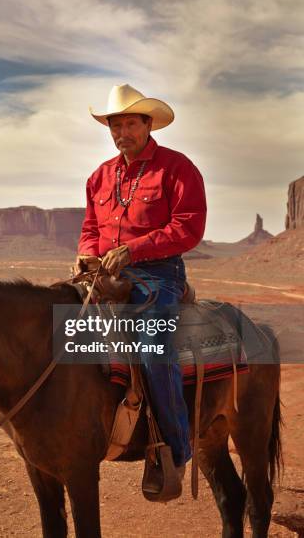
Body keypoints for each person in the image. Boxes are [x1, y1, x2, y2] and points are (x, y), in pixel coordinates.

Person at [75, 83, 207, 491]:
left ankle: (174, 452)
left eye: (130, 123)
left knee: (152, 349)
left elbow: (188, 227)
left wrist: (133, 251)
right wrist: (86, 254)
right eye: (115, 125)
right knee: (56, 325)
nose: (122, 132)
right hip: (105, 274)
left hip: (159, 274)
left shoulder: (177, 168)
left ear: (148, 124)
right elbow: (91, 228)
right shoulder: (99, 176)